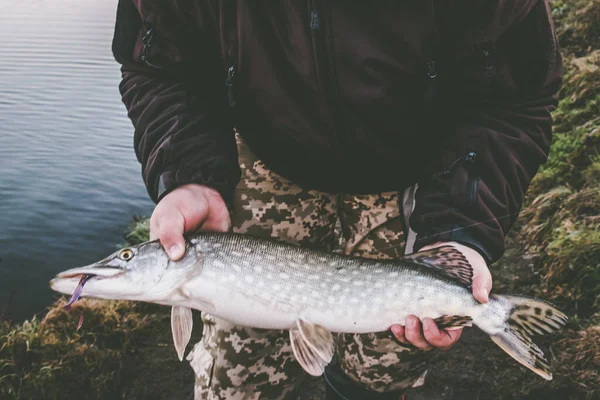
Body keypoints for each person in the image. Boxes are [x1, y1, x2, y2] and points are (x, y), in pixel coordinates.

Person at [111, 1, 563, 399]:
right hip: (268, 150)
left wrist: (460, 228)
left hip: (418, 165)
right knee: (238, 376)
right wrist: (191, 175)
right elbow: (158, 66)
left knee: (385, 367)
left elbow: (512, 100)